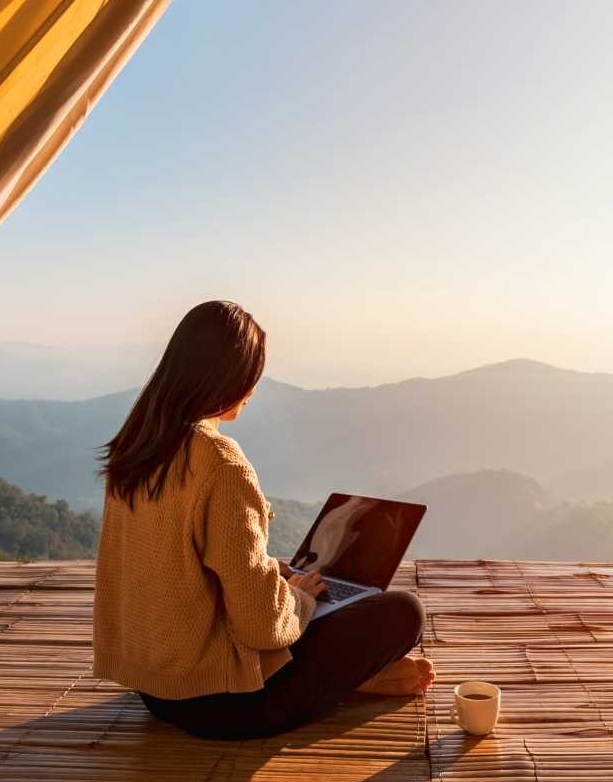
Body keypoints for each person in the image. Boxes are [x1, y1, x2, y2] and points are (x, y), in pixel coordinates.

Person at [91, 300, 435, 740]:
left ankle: (345, 677)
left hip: (155, 691)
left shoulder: (135, 448)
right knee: (403, 612)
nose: (253, 388)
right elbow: (263, 628)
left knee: (311, 599)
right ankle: (352, 681)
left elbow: (179, 567)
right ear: (230, 378)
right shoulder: (220, 464)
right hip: (226, 703)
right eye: (253, 373)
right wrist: (299, 598)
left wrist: (274, 574)